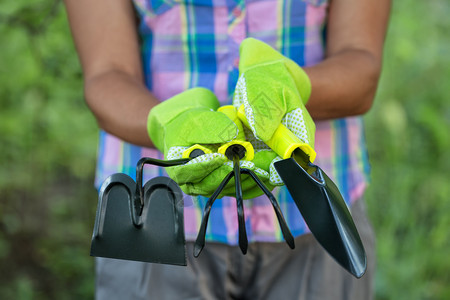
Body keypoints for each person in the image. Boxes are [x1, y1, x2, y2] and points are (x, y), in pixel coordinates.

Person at [64, 0, 390, 299]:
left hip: (313, 213)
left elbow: (361, 63)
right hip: (154, 216)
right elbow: (106, 73)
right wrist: (167, 124)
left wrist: (291, 83)